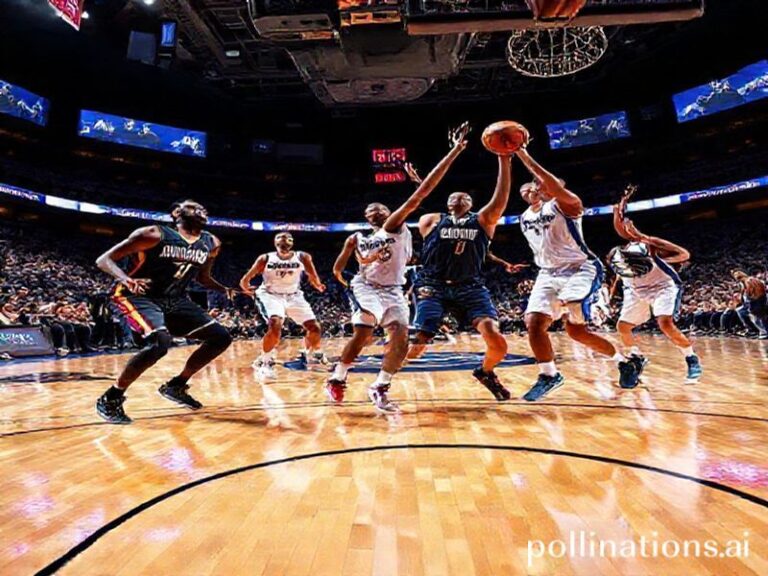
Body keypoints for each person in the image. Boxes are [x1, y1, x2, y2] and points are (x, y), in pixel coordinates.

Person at [326, 123, 471, 412]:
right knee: (364, 333)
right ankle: (338, 377)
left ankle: (380, 386)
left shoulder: (394, 226)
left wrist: (455, 150)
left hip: (393, 288)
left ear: (389, 213)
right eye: (370, 210)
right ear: (366, 217)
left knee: (401, 339)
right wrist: (341, 277)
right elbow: (342, 265)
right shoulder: (360, 238)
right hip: (366, 286)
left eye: (380, 208)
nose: (376, 211)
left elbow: (421, 195)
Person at [94, 199, 235, 424]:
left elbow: (203, 278)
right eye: (194, 206)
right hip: (137, 296)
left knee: (220, 337)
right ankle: (111, 397)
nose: (201, 209)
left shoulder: (212, 242)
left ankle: (176, 385)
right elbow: (104, 260)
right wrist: (126, 279)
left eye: (203, 207)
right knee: (159, 342)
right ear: (177, 212)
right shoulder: (153, 234)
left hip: (174, 299)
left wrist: (224, 288)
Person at [515, 147, 640, 401]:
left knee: (570, 304)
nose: (536, 187)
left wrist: (522, 153)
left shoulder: (568, 204)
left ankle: (591, 308)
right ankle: (550, 375)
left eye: (543, 184)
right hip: (548, 273)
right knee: (541, 325)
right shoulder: (524, 216)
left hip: (580, 267)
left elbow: (549, 184)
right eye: (531, 186)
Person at [407, 125, 514, 401]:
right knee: (417, 346)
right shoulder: (431, 220)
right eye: (453, 196)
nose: (459, 197)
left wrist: (504, 159)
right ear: (446, 203)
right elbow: (423, 193)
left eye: (465, 196)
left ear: (471, 203)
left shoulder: (483, 221)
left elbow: (500, 199)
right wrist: (451, 153)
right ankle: (384, 378)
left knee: (497, 341)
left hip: (470, 286)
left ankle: (485, 372)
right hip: (433, 286)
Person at [609, 186, 702, 384]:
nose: (625, 226)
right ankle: (637, 357)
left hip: (662, 287)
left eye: (628, 224)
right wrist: (618, 208)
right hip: (635, 290)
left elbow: (684, 254)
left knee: (665, 324)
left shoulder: (651, 245)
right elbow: (619, 227)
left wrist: (644, 238)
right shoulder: (623, 250)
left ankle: (691, 358)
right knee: (623, 326)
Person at [239, 232, 327, 379]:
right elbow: (245, 279)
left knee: (314, 328)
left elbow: (312, 274)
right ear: (275, 243)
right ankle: (265, 361)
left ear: (292, 243)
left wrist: (317, 284)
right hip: (271, 295)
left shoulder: (302, 257)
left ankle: (309, 352)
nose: (285, 241)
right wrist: (246, 289)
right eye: (281, 239)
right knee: (275, 323)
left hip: (294, 295)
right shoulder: (265, 258)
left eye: (288, 240)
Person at [731, 269, 767, 339]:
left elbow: (758, 294)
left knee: (756, 316)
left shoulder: (750, 280)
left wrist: (752, 303)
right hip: (749, 302)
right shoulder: (743, 283)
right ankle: (751, 330)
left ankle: (764, 332)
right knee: (740, 311)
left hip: (757, 302)